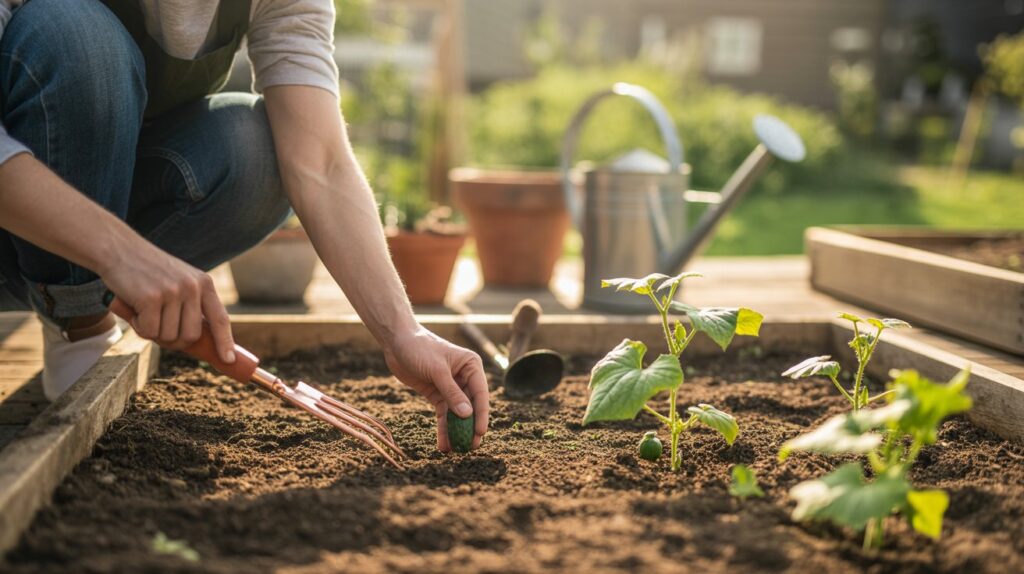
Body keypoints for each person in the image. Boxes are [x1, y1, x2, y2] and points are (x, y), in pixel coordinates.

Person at [0, 0, 488, 452]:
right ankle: (80, 324)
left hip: (107, 215)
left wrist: (403, 333)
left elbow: (319, 162)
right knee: (75, 35)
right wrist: (120, 253)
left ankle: (79, 302)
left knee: (258, 148)